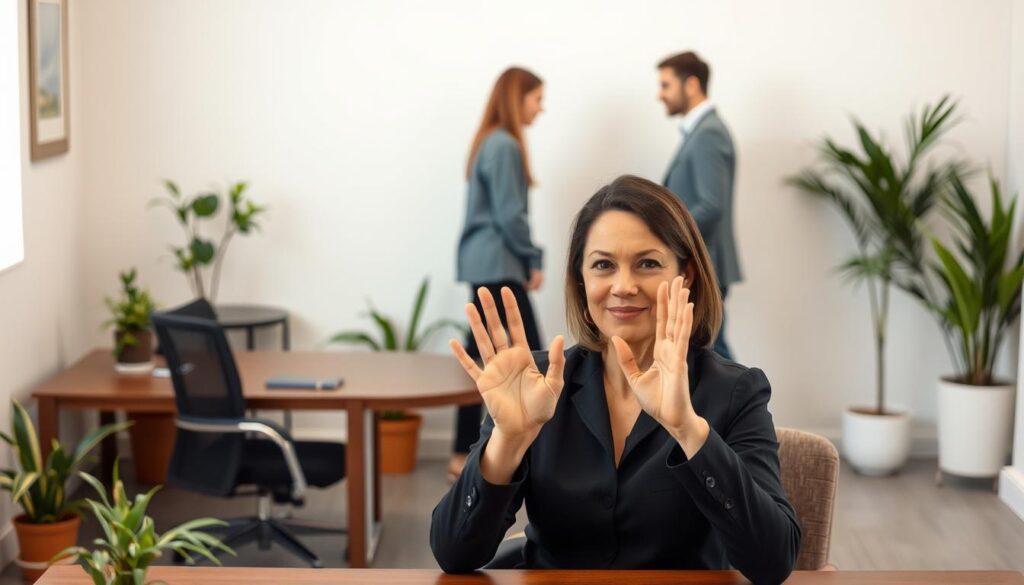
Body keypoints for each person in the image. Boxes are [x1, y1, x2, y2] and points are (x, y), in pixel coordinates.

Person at [431, 175, 799, 584]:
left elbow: (773, 561)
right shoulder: (536, 384)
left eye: (647, 263)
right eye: (603, 265)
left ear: (687, 275)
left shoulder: (735, 391)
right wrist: (509, 440)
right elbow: (453, 553)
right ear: (582, 279)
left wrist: (687, 428)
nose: (623, 286)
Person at [450, 67, 546, 481]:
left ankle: (460, 453)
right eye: (537, 99)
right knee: (535, 359)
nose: (541, 109)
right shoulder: (504, 145)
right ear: (517, 97)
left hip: (483, 263)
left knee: (483, 358)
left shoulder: (489, 141)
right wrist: (533, 258)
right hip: (499, 265)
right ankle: (547, 455)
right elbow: (510, 215)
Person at [657, 51, 741, 360]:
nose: (660, 95)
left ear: (691, 85)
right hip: (700, 260)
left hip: (706, 262)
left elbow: (711, 205)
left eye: (665, 85)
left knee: (713, 354)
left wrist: (664, 236)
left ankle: (743, 409)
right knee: (707, 352)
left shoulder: (708, 134)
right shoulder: (700, 132)